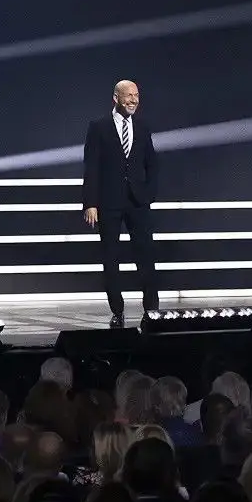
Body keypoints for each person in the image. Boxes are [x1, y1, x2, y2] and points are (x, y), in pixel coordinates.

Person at [82, 79, 160, 326]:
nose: (133, 100)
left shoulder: (143, 125)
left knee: (145, 253)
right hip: (108, 201)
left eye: (136, 95)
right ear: (116, 98)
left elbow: (152, 163)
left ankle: (152, 308)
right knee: (110, 256)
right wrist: (90, 203)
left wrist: (149, 194)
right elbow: (91, 166)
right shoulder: (99, 126)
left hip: (137, 200)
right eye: (128, 95)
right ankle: (117, 309)